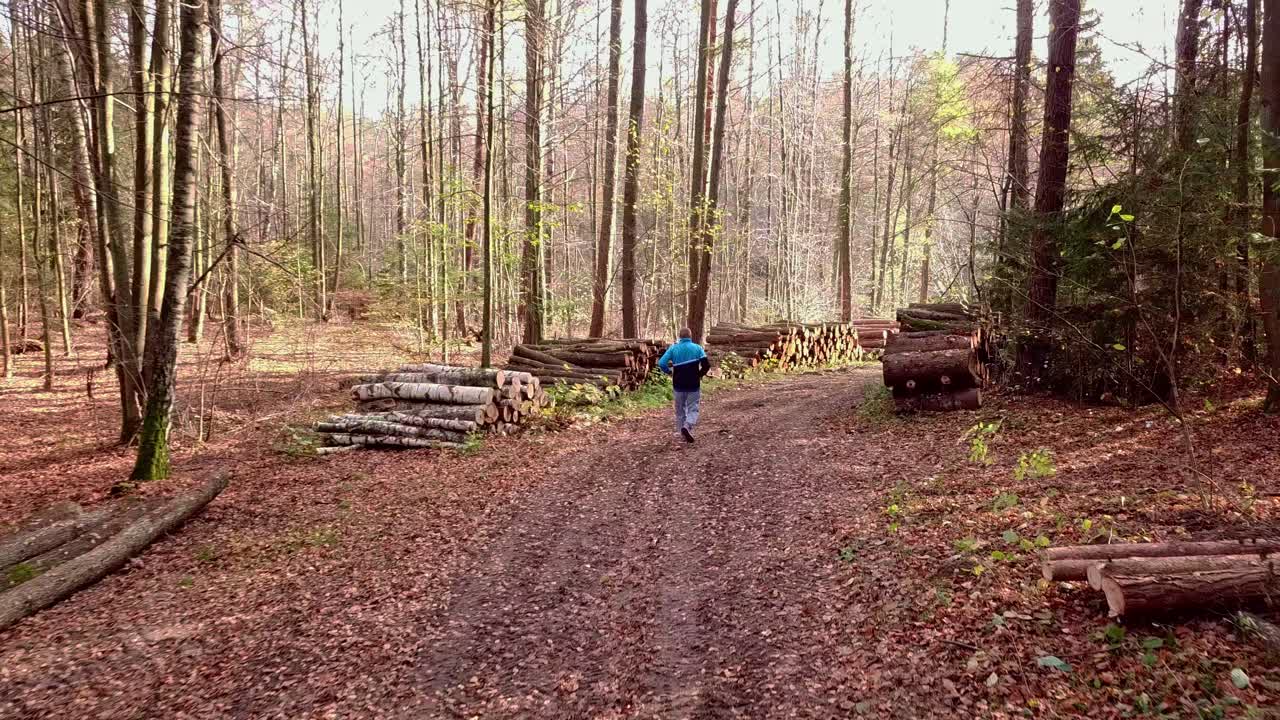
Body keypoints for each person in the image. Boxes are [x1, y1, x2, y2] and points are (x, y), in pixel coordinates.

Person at [658, 328, 711, 443]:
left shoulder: (673, 348)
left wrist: (669, 372)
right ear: (690, 336)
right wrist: (699, 374)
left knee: (679, 410)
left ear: (680, 337)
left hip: (678, 384)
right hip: (693, 384)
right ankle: (687, 426)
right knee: (693, 408)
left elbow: (661, 363)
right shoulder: (698, 348)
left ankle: (680, 432)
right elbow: (706, 365)